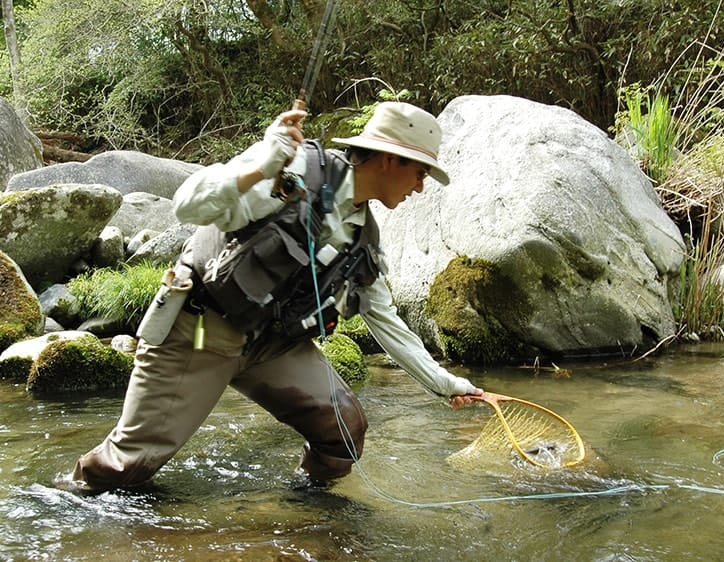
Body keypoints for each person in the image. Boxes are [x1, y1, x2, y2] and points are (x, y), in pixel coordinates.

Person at [63, 101, 483, 493]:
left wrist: (445, 384)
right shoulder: (293, 167)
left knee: (342, 431)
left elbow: (383, 317)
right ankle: (67, 506)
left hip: (272, 344)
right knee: (127, 467)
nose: (421, 187)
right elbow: (187, 206)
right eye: (420, 173)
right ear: (390, 160)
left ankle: (301, 513)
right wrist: (262, 165)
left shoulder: (363, 235)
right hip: (200, 331)